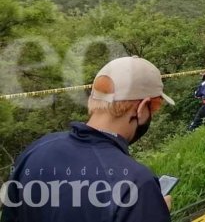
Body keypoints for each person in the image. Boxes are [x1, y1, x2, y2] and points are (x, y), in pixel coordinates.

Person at [0, 56, 174, 222]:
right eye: (155, 107)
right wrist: (154, 211)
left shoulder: (35, 150)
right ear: (142, 108)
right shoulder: (137, 183)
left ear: (93, 98)